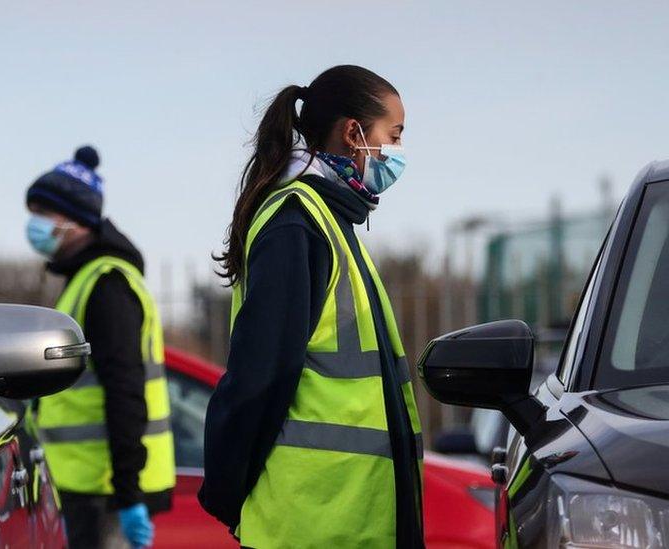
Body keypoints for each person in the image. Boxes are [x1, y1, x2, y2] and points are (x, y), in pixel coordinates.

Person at [199, 65, 424, 548]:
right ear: (353, 133)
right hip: (313, 523)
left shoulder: (329, 218)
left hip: (343, 518)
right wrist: (226, 490)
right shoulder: (296, 223)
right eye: (395, 134)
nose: (398, 151)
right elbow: (260, 374)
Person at [26, 146, 175, 549]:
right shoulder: (83, 281)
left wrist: (129, 495)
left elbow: (125, 391)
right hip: (88, 489)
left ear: (75, 220)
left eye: (43, 212)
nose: (33, 223)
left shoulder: (106, 285)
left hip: (107, 495)